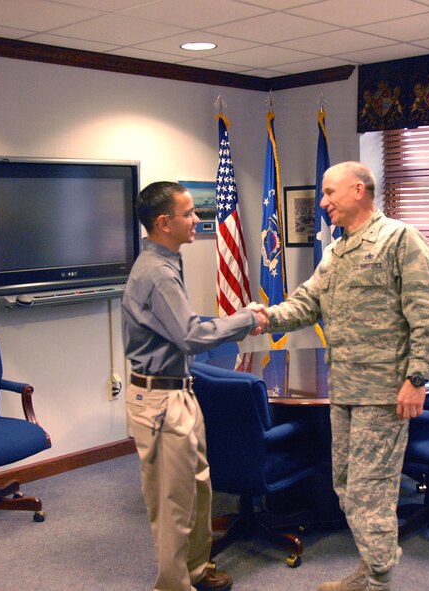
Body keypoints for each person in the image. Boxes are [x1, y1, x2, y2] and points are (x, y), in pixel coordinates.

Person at [254, 162, 429, 591]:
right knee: (346, 486)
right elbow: (305, 304)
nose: (323, 202)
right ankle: (370, 568)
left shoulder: (399, 239)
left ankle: (379, 580)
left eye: (330, 192)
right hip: (344, 390)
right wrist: (265, 318)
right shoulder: (336, 253)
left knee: (371, 491)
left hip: (383, 394)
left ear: (359, 190)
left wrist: (417, 379)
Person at [122, 181, 268, 591]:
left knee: (198, 489)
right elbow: (190, 335)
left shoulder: (167, 262)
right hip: (159, 400)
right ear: (163, 222)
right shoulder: (157, 273)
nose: (196, 219)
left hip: (177, 393)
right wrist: (245, 318)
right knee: (174, 502)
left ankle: (197, 570)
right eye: (188, 214)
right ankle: (174, 584)